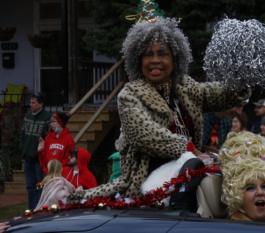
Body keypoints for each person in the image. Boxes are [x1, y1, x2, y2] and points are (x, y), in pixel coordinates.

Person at [69, 17, 250, 208]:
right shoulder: (130, 94)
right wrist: (190, 151)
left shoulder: (185, 86)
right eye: (148, 55)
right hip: (145, 193)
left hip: (190, 180)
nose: (155, 60)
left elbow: (216, 95)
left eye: (162, 54)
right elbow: (146, 135)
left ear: (175, 58)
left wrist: (240, 82)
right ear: (138, 60)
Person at [21, 93, 51, 210]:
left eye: (33, 102)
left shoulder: (47, 117)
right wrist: (24, 149)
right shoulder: (28, 115)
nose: (31, 105)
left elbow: (49, 137)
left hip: (39, 158)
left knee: (40, 184)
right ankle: (32, 208)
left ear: (41, 104)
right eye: (30, 102)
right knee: (30, 185)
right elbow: (23, 134)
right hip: (28, 155)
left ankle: (39, 208)